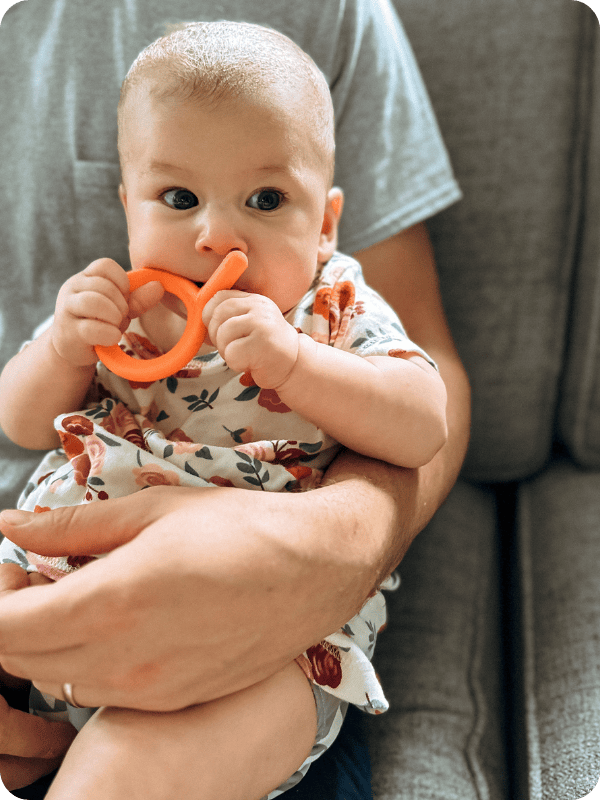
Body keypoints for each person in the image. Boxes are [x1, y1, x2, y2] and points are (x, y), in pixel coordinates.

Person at [0, 0, 470, 796]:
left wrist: (298, 364)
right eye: (178, 201)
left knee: (123, 778)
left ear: (325, 226)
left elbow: (424, 421)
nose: (218, 237)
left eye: (264, 201)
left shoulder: (332, 307)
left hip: (267, 636)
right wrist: (58, 349)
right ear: (128, 206)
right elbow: (17, 421)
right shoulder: (119, 309)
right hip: (63, 571)